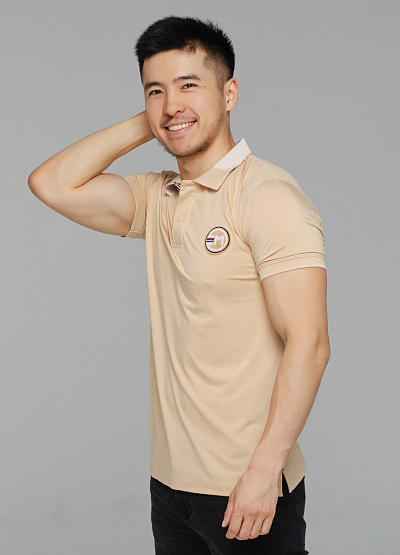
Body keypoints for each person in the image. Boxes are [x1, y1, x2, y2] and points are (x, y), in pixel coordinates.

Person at [28, 16, 330, 554]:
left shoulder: (268, 197)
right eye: (155, 90)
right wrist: (160, 118)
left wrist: (264, 473)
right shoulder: (158, 197)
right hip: (170, 488)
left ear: (229, 93)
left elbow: (310, 344)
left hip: (247, 485)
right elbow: (51, 183)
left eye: (190, 84)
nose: (172, 103)